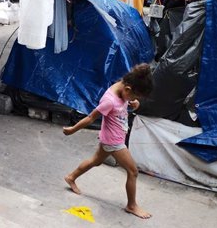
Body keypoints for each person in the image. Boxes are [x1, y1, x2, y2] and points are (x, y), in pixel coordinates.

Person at [62, 63, 154, 219]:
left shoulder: (123, 87)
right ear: (128, 90)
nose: (134, 99)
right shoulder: (110, 100)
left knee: (95, 161)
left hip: (110, 137)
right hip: (114, 142)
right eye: (134, 97)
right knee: (133, 172)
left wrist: (134, 104)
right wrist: (73, 129)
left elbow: (123, 105)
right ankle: (131, 206)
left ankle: (71, 177)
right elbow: (91, 117)